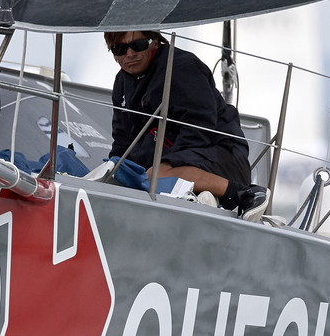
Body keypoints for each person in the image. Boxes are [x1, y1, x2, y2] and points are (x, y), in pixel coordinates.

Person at [105, 30, 268, 219]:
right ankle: (198, 195)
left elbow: (200, 127)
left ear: (155, 42)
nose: (130, 54)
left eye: (138, 45)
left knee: (155, 174)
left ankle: (246, 194)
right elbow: (122, 143)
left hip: (221, 154)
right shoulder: (122, 83)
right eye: (119, 49)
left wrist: (162, 170)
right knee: (122, 174)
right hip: (170, 166)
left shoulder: (181, 67)